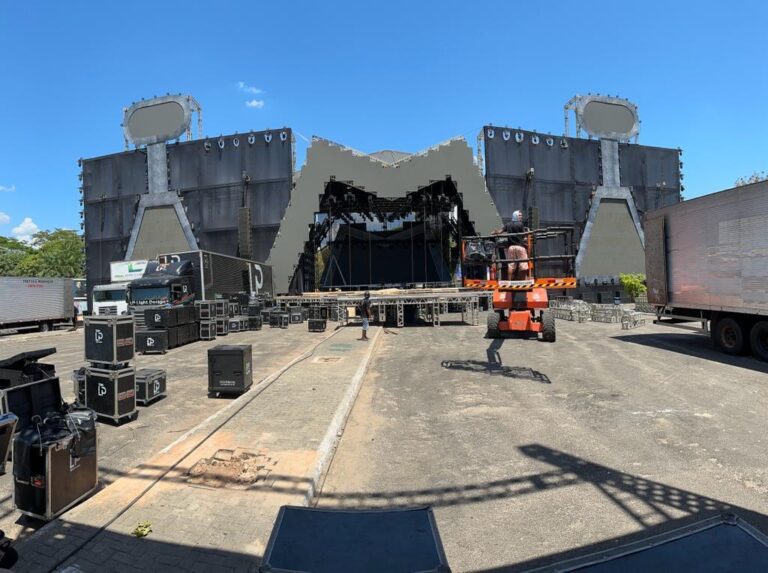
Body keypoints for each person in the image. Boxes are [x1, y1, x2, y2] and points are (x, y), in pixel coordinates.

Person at [492, 210, 529, 280]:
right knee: (523, 265)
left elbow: (500, 231)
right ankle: (521, 280)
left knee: (511, 265)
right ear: (516, 216)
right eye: (519, 215)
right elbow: (524, 236)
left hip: (511, 247)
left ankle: (509, 281)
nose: (521, 217)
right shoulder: (520, 224)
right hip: (520, 247)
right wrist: (526, 239)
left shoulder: (508, 224)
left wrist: (494, 232)